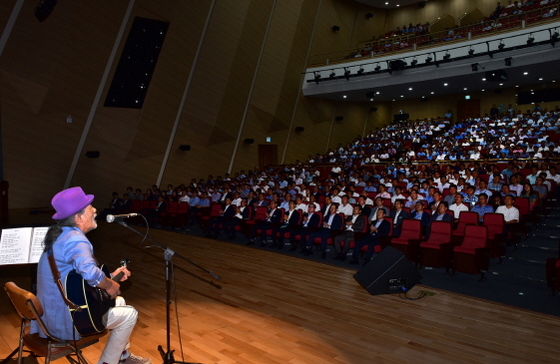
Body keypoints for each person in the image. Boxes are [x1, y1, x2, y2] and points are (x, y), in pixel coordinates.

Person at [32, 187, 151, 364]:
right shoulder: (75, 239)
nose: (95, 209)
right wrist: (111, 284)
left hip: (50, 316)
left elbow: (77, 276)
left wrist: (110, 275)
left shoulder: (60, 235)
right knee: (130, 314)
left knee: (119, 302)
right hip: (66, 321)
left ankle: (121, 356)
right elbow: (90, 274)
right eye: (90, 207)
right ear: (78, 217)